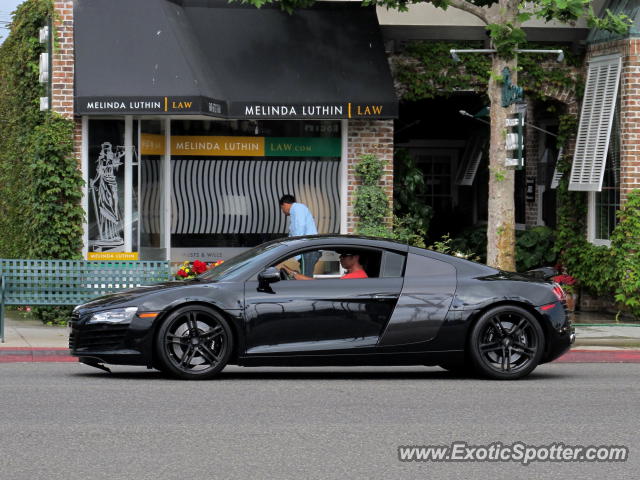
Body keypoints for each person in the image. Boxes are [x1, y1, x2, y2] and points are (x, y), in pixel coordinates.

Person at [279, 194, 319, 276]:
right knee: (304, 275)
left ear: (284, 205)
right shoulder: (296, 211)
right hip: (307, 249)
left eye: (281, 208)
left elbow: (300, 227)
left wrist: (296, 245)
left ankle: (307, 289)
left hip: (307, 249)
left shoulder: (297, 208)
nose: (282, 211)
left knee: (305, 278)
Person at [282, 252, 368, 280]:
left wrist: (293, 273)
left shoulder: (355, 277)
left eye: (344, 255)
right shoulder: (357, 275)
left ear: (356, 257)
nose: (340, 257)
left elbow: (318, 284)